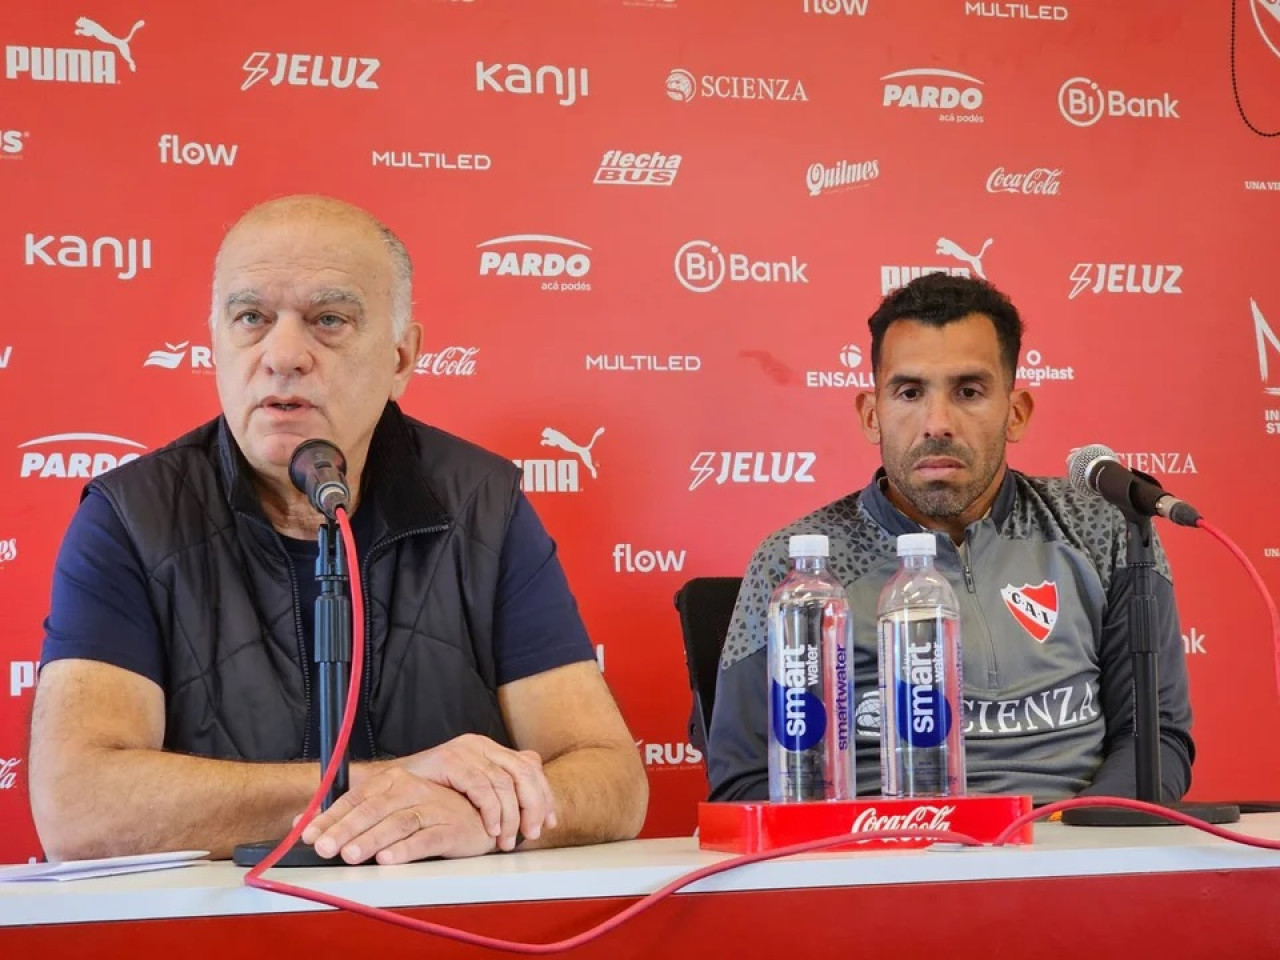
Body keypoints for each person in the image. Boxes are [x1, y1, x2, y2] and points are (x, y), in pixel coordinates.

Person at [29, 194, 648, 865]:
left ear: (401, 358)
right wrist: (392, 787)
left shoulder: (483, 506)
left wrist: (487, 818)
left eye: (328, 319)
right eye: (251, 319)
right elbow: (78, 805)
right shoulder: (132, 516)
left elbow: (611, 781)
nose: (283, 353)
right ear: (215, 342)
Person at [707, 273, 1194, 803]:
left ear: (1016, 412)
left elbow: (1156, 738)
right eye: (910, 392)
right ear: (873, 415)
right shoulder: (798, 566)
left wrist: (1080, 838)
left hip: (1067, 850)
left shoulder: (1102, 527)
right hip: (878, 864)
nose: (938, 422)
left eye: (969, 391)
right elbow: (747, 783)